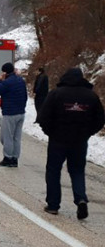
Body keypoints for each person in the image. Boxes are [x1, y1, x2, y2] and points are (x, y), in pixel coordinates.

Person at [37, 67, 105, 219]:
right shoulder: (91, 96)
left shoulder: (56, 94)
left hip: (58, 140)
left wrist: (50, 132)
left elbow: (43, 117)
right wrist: (88, 132)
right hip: (80, 141)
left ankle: (53, 205)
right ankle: (80, 198)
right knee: (77, 171)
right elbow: (100, 119)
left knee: (53, 171)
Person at [0, 62, 28, 167]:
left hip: (10, 113)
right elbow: (25, 96)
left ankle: (7, 158)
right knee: (16, 137)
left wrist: (0, 80)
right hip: (21, 112)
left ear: (5, 72)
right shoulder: (21, 80)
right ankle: (15, 159)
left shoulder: (6, 82)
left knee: (6, 137)